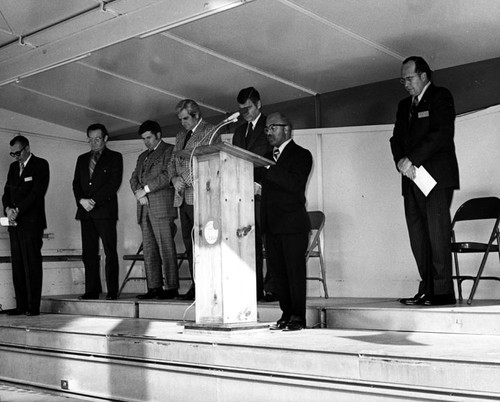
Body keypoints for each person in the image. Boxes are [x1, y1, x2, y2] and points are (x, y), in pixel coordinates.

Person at [390, 56, 459, 307]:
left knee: (437, 234)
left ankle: (442, 292)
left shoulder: (440, 96)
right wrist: (401, 161)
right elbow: (396, 138)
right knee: (418, 236)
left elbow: (441, 134)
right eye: (403, 79)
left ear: (423, 76)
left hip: (435, 179)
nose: (405, 83)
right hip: (411, 179)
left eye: (409, 78)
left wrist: (412, 159)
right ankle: (427, 289)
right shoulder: (403, 105)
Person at [259, 112, 312, 331]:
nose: (269, 132)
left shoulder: (301, 154)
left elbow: (294, 184)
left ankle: (298, 317)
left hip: (292, 225)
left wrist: (271, 168)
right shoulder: (264, 157)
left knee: (294, 272)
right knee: (278, 274)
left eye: (273, 127)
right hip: (271, 224)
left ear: (287, 129)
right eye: (267, 129)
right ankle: (286, 314)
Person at [167, 99, 220, 300]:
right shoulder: (180, 135)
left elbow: (209, 159)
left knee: (203, 244)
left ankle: (207, 286)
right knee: (189, 244)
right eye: (180, 119)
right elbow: (173, 161)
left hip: (200, 195)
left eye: (186, 118)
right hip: (182, 196)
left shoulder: (211, 130)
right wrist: (174, 179)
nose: (183, 123)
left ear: (196, 115)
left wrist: (184, 179)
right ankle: (195, 284)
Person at [232, 87, 277, 302]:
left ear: (258, 104)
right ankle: (254, 288)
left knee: (270, 242)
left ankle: (272, 288)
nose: (245, 113)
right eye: (242, 109)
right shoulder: (239, 132)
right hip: (243, 195)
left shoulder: (271, 126)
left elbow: (275, 158)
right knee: (250, 243)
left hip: (264, 192)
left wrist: (259, 183)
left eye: (248, 108)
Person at [72, 123, 123, 300]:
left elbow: (113, 184)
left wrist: (93, 201)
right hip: (86, 212)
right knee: (89, 253)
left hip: (105, 212)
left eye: (98, 139)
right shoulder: (81, 159)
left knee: (110, 251)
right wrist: (81, 200)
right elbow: (76, 183)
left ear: (105, 138)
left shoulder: (115, 157)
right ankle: (92, 290)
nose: (94, 142)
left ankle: (112, 291)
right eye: (91, 139)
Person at [130, 120, 178, 299]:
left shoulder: (169, 150)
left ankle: (171, 287)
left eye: (149, 138)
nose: (146, 142)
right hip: (144, 207)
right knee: (149, 250)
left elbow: (168, 175)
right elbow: (133, 178)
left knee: (166, 247)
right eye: (144, 139)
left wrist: (146, 189)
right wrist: (138, 193)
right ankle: (154, 287)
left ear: (158, 135)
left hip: (161, 207)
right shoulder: (142, 156)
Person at [2, 136, 49, 316]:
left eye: (18, 152)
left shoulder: (40, 165)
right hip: (14, 223)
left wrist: (18, 209)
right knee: (18, 265)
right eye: (12, 153)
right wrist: (7, 209)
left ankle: (32, 306)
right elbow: (6, 192)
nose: (16, 157)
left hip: (31, 223)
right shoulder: (13, 167)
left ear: (27, 148)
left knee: (31, 264)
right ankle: (21, 305)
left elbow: (37, 194)